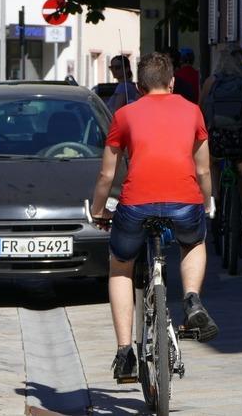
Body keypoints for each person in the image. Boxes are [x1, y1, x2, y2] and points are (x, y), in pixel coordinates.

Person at [91, 52, 219, 382]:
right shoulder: (193, 111)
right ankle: (191, 300)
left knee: (120, 265)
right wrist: (207, 202)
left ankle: (124, 354)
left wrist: (97, 210)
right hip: (184, 202)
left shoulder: (124, 114)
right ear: (172, 82)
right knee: (193, 242)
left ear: (138, 85)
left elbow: (107, 175)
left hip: (136, 205)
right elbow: (203, 168)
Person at [200, 45, 242, 258]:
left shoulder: (211, 82)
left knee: (212, 163)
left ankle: (216, 199)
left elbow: (201, 109)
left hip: (219, 138)